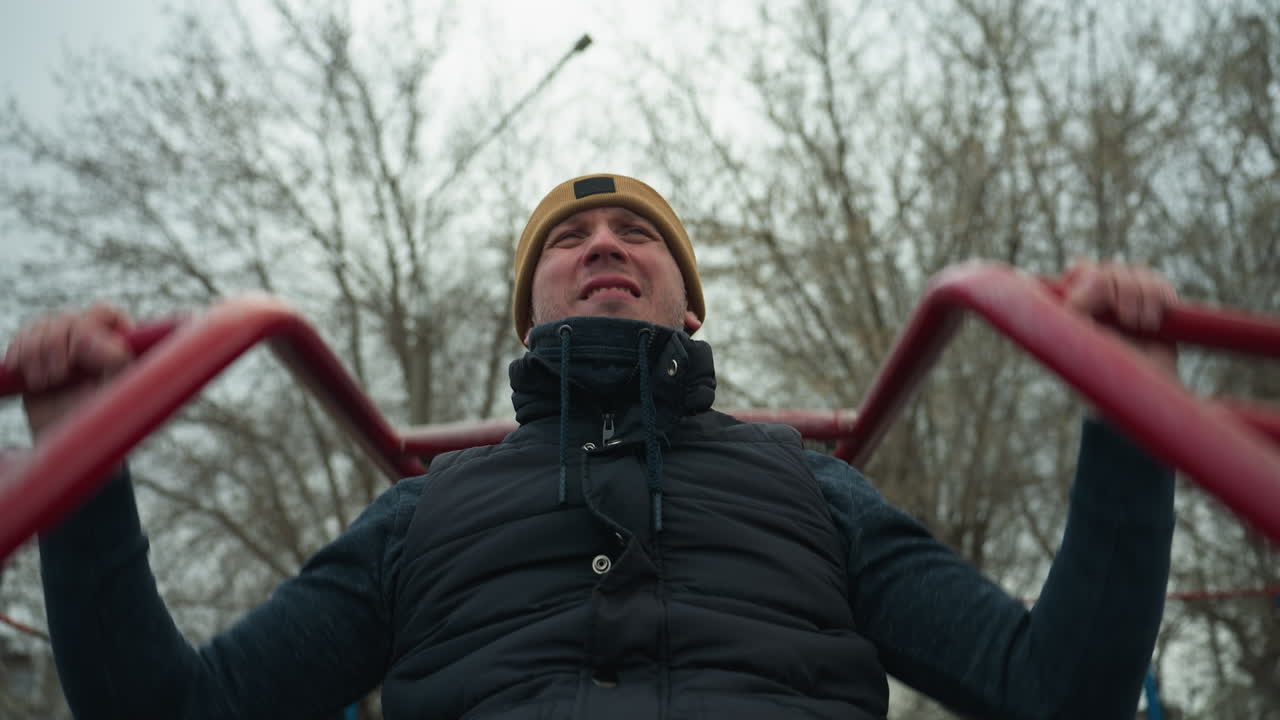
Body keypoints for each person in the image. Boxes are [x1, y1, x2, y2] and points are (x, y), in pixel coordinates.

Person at [5, 173, 1177, 720]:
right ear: (528, 314)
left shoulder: (811, 487)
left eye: (633, 234)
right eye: (568, 239)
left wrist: (1130, 422)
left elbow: (1055, 689)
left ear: (688, 308)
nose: (603, 245)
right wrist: (80, 469)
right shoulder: (421, 511)